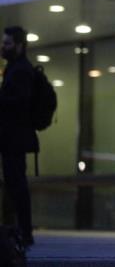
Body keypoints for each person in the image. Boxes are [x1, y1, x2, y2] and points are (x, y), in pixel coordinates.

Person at [0, 26, 38, 246]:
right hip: (12, 137)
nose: (3, 47)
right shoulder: (15, 68)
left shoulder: (21, 70)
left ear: (19, 45)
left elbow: (19, 104)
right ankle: (19, 229)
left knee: (17, 185)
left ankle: (24, 231)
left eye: (7, 43)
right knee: (14, 184)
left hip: (14, 138)